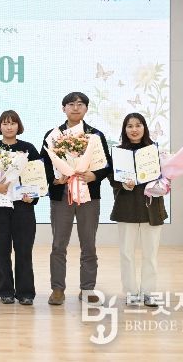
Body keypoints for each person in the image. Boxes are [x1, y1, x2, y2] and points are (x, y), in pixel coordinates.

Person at [40, 91, 112, 305]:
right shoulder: (53, 135)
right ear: (63, 108)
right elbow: (44, 165)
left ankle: (87, 288)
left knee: (89, 244)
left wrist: (94, 176)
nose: (75, 107)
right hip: (61, 195)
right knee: (58, 245)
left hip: (88, 195)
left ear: (86, 108)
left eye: (80, 104)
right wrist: (55, 179)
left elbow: (106, 164)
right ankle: (57, 289)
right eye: (71, 104)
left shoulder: (95, 135)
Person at [0, 110, 40, 306]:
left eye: (13, 123)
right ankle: (5, 291)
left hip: (23, 207)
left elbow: (39, 174)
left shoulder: (28, 148)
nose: (9, 127)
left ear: (18, 126)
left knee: (24, 250)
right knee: (1, 250)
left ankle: (25, 292)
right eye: (5, 123)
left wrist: (33, 196)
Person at [109, 113, 168, 307]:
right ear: (124, 129)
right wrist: (124, 184)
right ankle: (131, 292)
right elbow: (112, 178)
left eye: (138, 125)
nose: (134, 129)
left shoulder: (155, 151)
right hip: (127, 207)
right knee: (126, 253)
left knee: (150, 254)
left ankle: (149, 292)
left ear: (144, 128)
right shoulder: (118, 152)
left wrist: (164, 181)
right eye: (129, 126)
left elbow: (165, 176)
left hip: (152, 208)